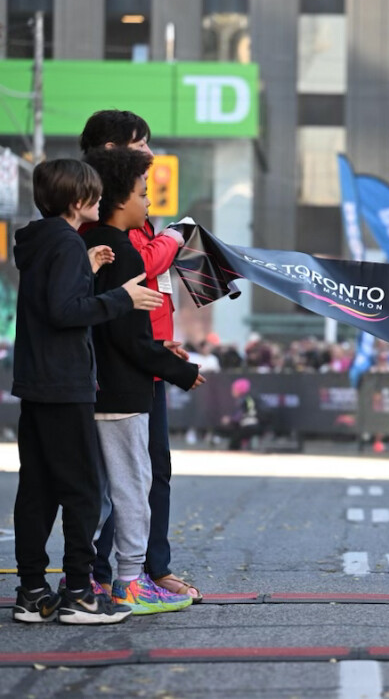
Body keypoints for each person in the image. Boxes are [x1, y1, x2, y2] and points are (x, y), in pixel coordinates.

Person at [11, 158, 163, 625]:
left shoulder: (40, 241)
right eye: (93, 195)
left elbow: (54, 300)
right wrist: (122, 298)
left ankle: (32, 592)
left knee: (36, 489)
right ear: (78, 201)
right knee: (83, 491)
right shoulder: (66, 242)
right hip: (66, 383)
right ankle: (80, 593)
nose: (100, 201)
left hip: (36, 382)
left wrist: (88, 268)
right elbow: (65, 311)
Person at [81, 110, 204, 604]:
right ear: (112, 154)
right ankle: (110, 577)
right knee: (124, 479)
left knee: (148, 472)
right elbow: (141, 267)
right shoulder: (101, 224)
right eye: (141, 145)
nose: (151, 155)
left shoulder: (124, 216)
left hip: (144, 358)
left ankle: (143, 572)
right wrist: (173, 237)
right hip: (124, 370)